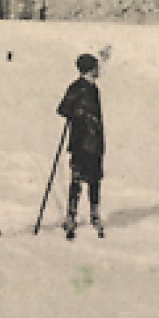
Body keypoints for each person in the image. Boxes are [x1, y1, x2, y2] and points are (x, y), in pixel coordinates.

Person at [57, 53, 106, 240]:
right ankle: (71, 216)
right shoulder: (76, 87)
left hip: (95, 142)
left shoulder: (94, 89)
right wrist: (78, 113)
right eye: (95, 67)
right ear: (88, 69)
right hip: (80, 141)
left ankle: (95, 214)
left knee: (95, 180)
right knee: (76, 180)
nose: (98, 70)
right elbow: (62, 108)